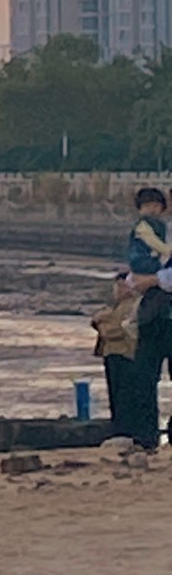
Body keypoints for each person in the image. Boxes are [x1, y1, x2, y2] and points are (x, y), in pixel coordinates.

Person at [119, 186, 172, 448]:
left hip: (162, 313)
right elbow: (139, 267)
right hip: (154, 316)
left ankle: (152, 435)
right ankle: (146, 435)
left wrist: (152, 280)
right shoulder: (153, 231)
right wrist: (129, 282)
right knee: (144, 376)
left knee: (147, 375)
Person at [92, 273, 143, 431]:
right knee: (115, 393)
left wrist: (103, 324)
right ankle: (118, 425)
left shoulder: (134, 304)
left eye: (122, 286)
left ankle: (126, 427)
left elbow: (118, 330)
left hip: (125, 353)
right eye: (117, 286)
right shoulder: (115, 306)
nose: (119, 290)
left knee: (124, 393)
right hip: (111, 353)